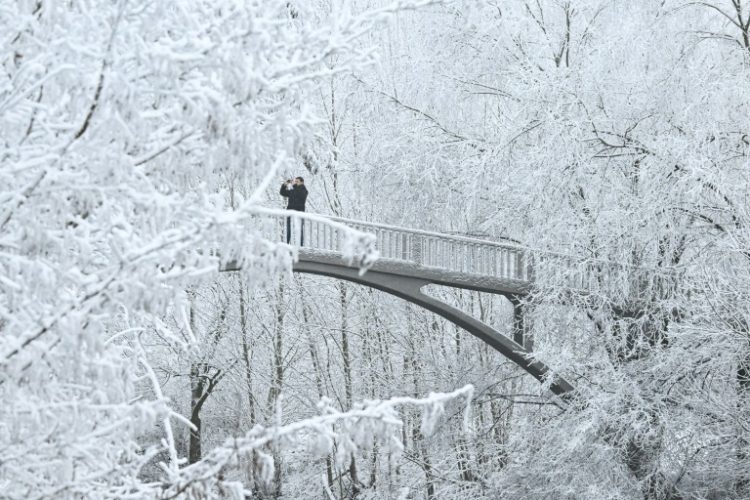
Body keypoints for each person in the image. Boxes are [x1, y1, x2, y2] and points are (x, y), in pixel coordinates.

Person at [280, 176, 308, 245]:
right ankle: (287, 243)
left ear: (302, 182)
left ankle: (301, 246)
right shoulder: (293, 190)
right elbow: (282, 193)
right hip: (290, 212)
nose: (295, 183)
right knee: (288, 228)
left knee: (300, 230)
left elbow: (300, 195)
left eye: (297, 181)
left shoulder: (304, 190)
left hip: (299, 213)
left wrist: (293, 186)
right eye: (295, 181)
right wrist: (285, 185)